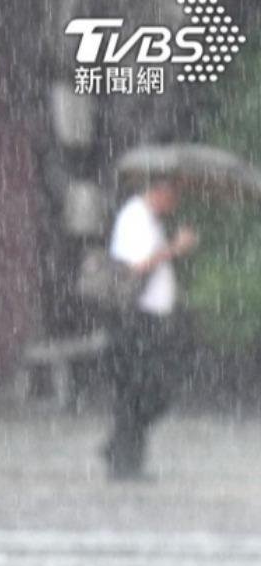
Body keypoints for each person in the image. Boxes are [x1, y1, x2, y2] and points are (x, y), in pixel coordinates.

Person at [103, 177, 197, 481]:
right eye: (172, 196)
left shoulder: (151, 221)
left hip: (152, 319)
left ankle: (120, 450)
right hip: (136, 319)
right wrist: (175, 247)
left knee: (149, 391)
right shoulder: (135, 217)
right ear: (159, 191)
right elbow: (138, 266)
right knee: (141, 390)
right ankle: (124, 461)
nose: (174, 204)